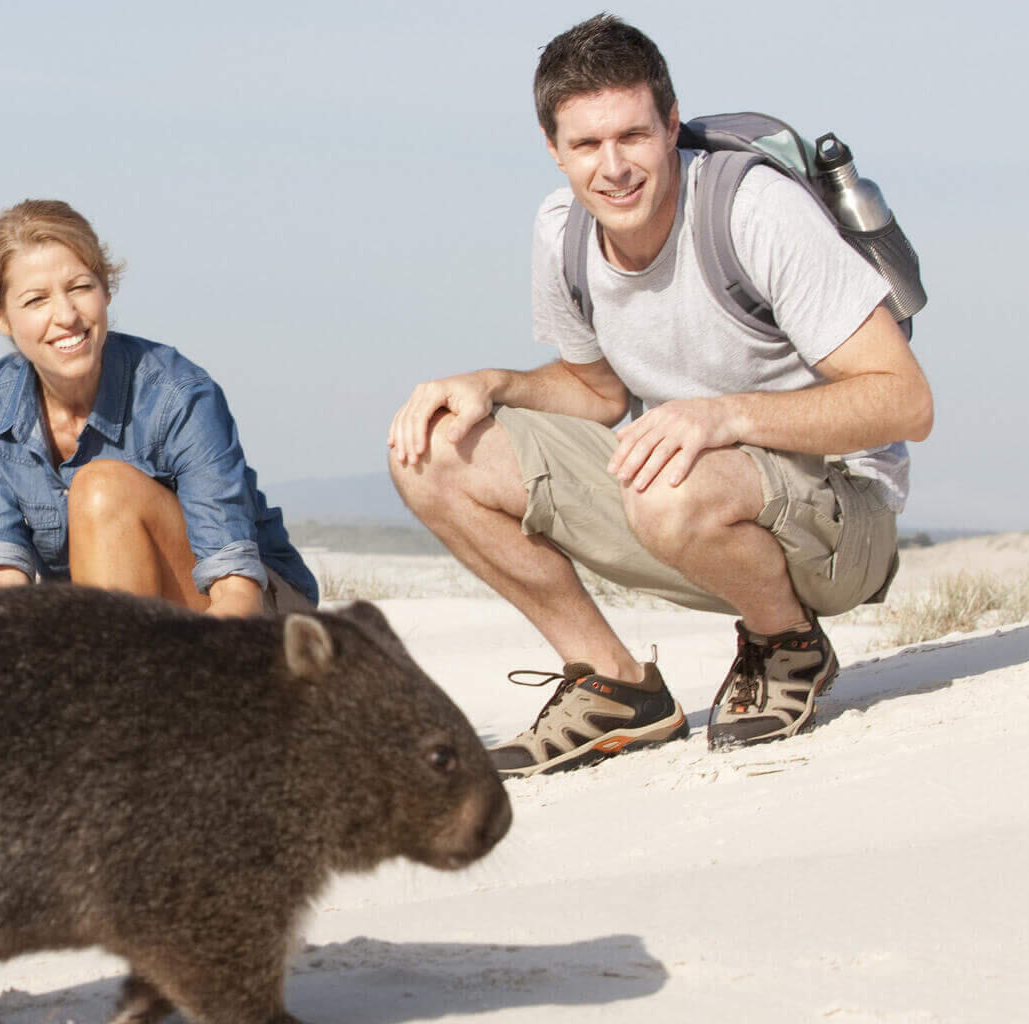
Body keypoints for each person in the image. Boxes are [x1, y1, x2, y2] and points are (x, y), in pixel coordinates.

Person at [385, 14, 933, 777]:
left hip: (844, 520)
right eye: (585, 145)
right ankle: (614, 687)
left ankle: (787, 645)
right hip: (689, 506)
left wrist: (725, 415)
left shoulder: (752, 211)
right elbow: (596, 391)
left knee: (668, 485)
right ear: (553, 148)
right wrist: (491, 384)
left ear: (670, 125)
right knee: (433, 448)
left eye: (633, 137)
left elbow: (906, 400)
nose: (612, 167)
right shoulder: (562, 230)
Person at [0, 200, 317, 617]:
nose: (66, 315)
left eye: (80, 287)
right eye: (37, 300)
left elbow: (235, 590)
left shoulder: (178, 395)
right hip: (114, 623)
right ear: (1, 315)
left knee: (101, 490)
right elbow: (1, 576)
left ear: (106, 288)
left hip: (257, 617)